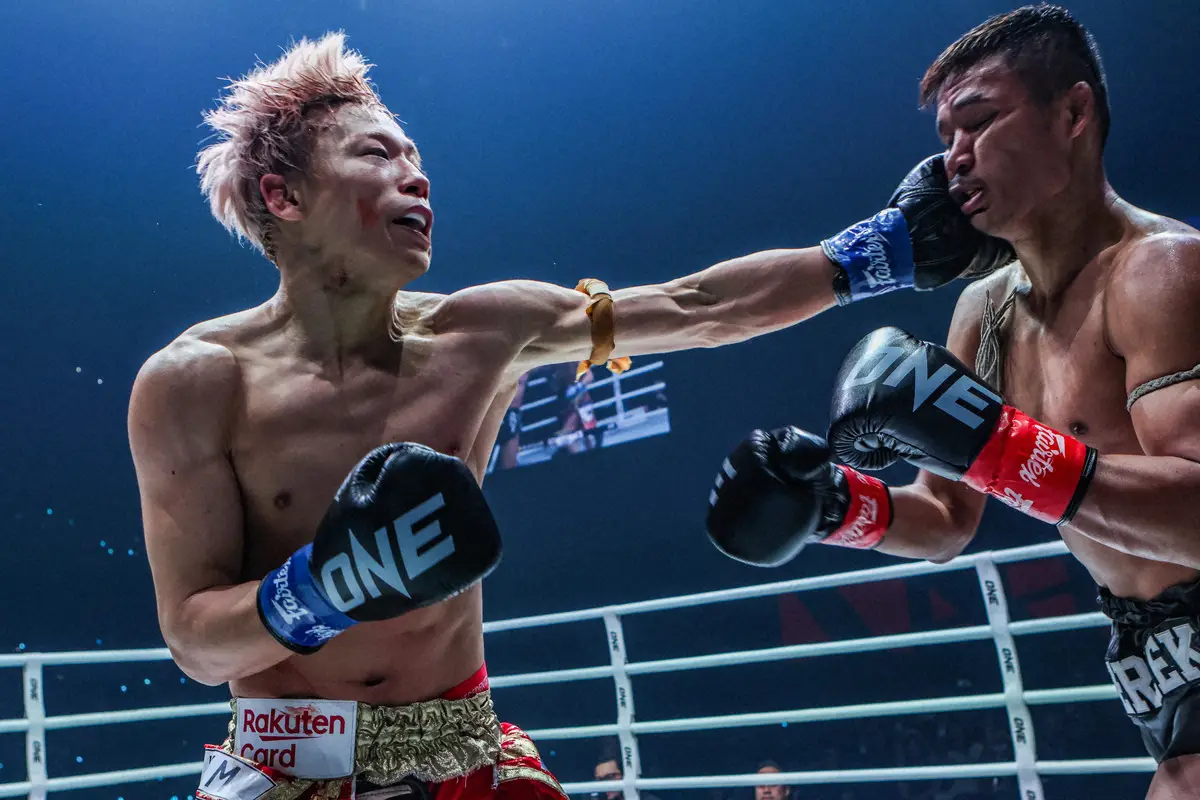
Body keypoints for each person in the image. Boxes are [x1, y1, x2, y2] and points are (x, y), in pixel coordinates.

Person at [127, 31, 1003, 800]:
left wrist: (883, 252)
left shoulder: (484, 331)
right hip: (288, 771)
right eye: (378, 155)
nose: (416, 174)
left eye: (415, 155)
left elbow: (696, 307)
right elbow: (196, 644)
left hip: (467, 752)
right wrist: (325, 588)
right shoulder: (198, 382)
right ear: (284, 198)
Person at [705, 6, 1200, 798]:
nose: (954, 157)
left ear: (1072, 113)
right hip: (1157, 668)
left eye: (979, 121)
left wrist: (993, 443)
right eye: (945, 137)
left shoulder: (1160, 272)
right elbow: (945, 517)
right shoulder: (987, 313)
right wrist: (831, 506)